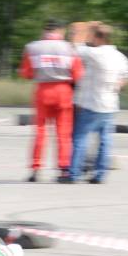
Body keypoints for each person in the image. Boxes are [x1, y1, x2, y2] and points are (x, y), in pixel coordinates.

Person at [67, 22, 128, 184]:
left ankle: (74, 174)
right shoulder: (119, 56)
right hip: (110, 105)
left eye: (92, 36)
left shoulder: (95, 53)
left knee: (80, 138)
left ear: (98, 38)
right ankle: (99, 175)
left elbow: (75, 48)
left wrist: (81, 30)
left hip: (92, 104)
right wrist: (118, 85)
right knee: (105, 140)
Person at [20, 18, 84, 182]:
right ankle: (63, 169)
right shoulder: (70, 48)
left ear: (45, 30)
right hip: (63, 91)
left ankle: (35, 170)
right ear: (60, 30)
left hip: (42, 91)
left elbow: (26, 73)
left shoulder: (32, 47)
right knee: (63, 132)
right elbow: (78, 74)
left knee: (40, 131)